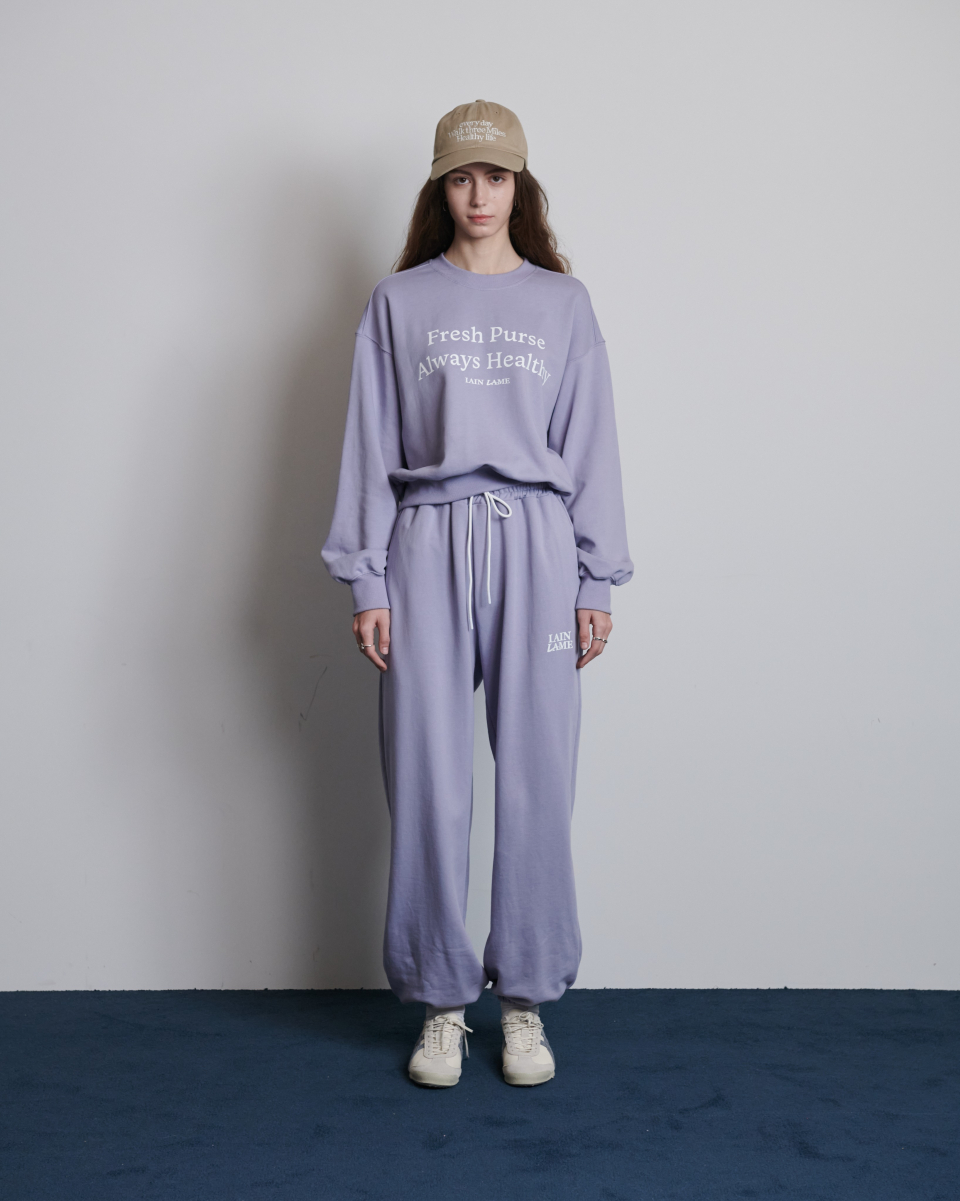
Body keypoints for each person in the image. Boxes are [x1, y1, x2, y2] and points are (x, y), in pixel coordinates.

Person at [322, 100, 632, 1087]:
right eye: (461, 177)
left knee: (537, 776)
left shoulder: (563, 304)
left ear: (520, 186)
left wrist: (596, 576)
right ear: (440, 188)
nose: (479, 195)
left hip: (537, 543)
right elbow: (371, 442)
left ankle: (527, 1000)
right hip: (425, 541)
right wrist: (367, 576)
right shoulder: (399, 301)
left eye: (496, 176)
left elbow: (592, 444)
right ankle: (442, 1003)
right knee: (428, 778)